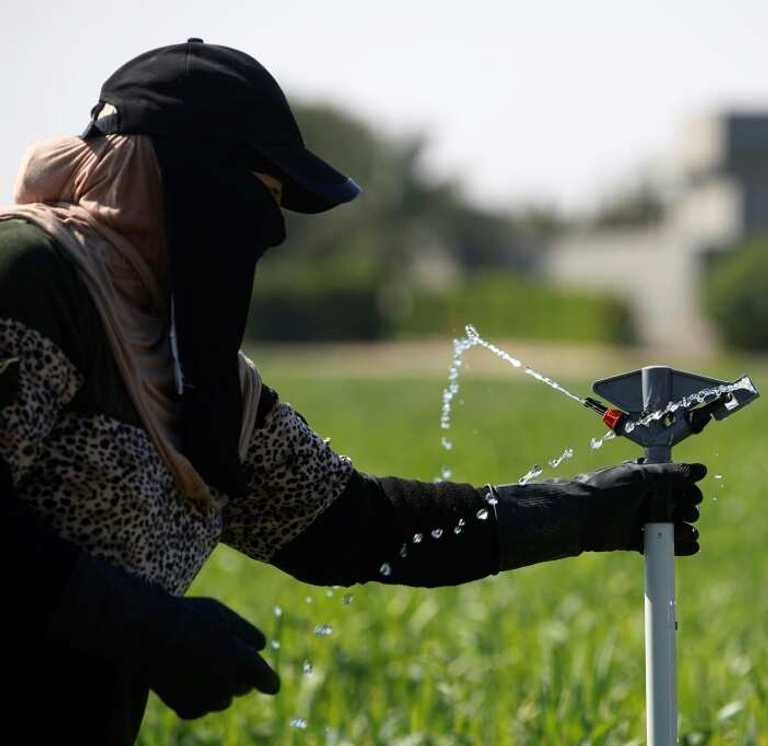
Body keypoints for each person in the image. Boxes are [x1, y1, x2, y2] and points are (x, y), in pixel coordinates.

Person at [0, 40, 706, 744]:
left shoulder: (205, 384)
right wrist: (140, 625)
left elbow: (361, 529)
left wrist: (592, 512)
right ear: (177, 177)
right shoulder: (29, 278)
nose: (263, 238)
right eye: (257, 200)